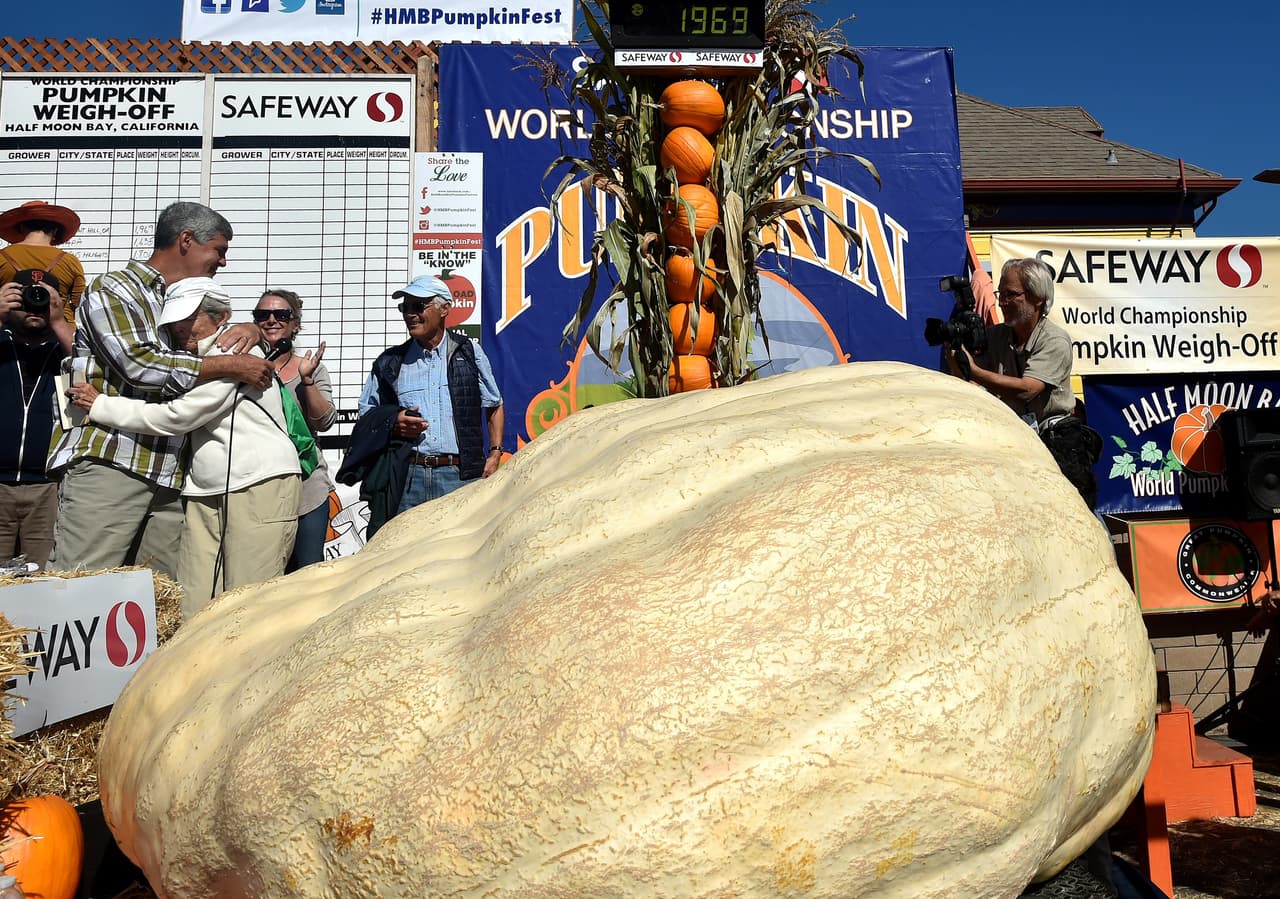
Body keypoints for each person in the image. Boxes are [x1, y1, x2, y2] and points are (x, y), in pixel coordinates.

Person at [47, 201, 273, 579]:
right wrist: (231, 364)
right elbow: (141, 365)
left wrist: (252, 331)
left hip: (172, 473)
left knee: (160, 602)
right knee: (81, 589)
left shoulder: (191, 297)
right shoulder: (116, 287)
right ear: (186, 240)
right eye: (219, 250)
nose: (223, 262)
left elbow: (224, 334)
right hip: (113, 460)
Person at [67, 278, 300, 619]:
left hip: (260, 481)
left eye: (190, 318)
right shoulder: (192, 357)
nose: (180, 327)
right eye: (174, 320)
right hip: (206, 487)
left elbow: (179, 416)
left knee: (249, 601)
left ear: (221, 317)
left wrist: (101, 405)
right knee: (194, 601)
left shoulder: (237, 351)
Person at [345, 275, 503, 531]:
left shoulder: (470, 352)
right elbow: (367, 413)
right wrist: (393, 422)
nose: (410, 314)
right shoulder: (390, 362)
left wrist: (495, 454)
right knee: (403, 557)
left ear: (444, 309)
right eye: (405, 307)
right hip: (407, 477)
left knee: (457, 556)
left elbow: (494, 404)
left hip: (459, 476)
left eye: (418, 306)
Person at [253, 288, 337, 569]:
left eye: (281, 315)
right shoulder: (243, 367)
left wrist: (308, 381)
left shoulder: (310, 368)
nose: (271, 320)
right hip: (259, 484)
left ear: (295, 324)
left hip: (306, 486)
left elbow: (324, 422)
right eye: (263, 315)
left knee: (308, 571)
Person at [946, 256, 1074, 427]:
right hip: (1011, 431)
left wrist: (973, 370)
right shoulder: (995, 336)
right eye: (1000, 294)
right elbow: (969, 382)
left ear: (1038, 298)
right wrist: (955, 350)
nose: (1002, 303)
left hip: (1050, 436)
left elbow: (1027, 390)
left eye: (1011, 295)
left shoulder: (1055, 340)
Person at [0, 274, 72, 569]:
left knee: (43, 580)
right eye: (23, 297)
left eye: (44, 298)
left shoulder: (66, 349)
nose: (33, 306)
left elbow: (95, 369)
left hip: (48, 487)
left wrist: (58, 322)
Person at [0, 200, 87, 327]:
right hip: (58, 336)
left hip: (9, 336)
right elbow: (79, 303)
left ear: (21, 227)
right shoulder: (70, 261)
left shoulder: (2, 257)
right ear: (55, 230)